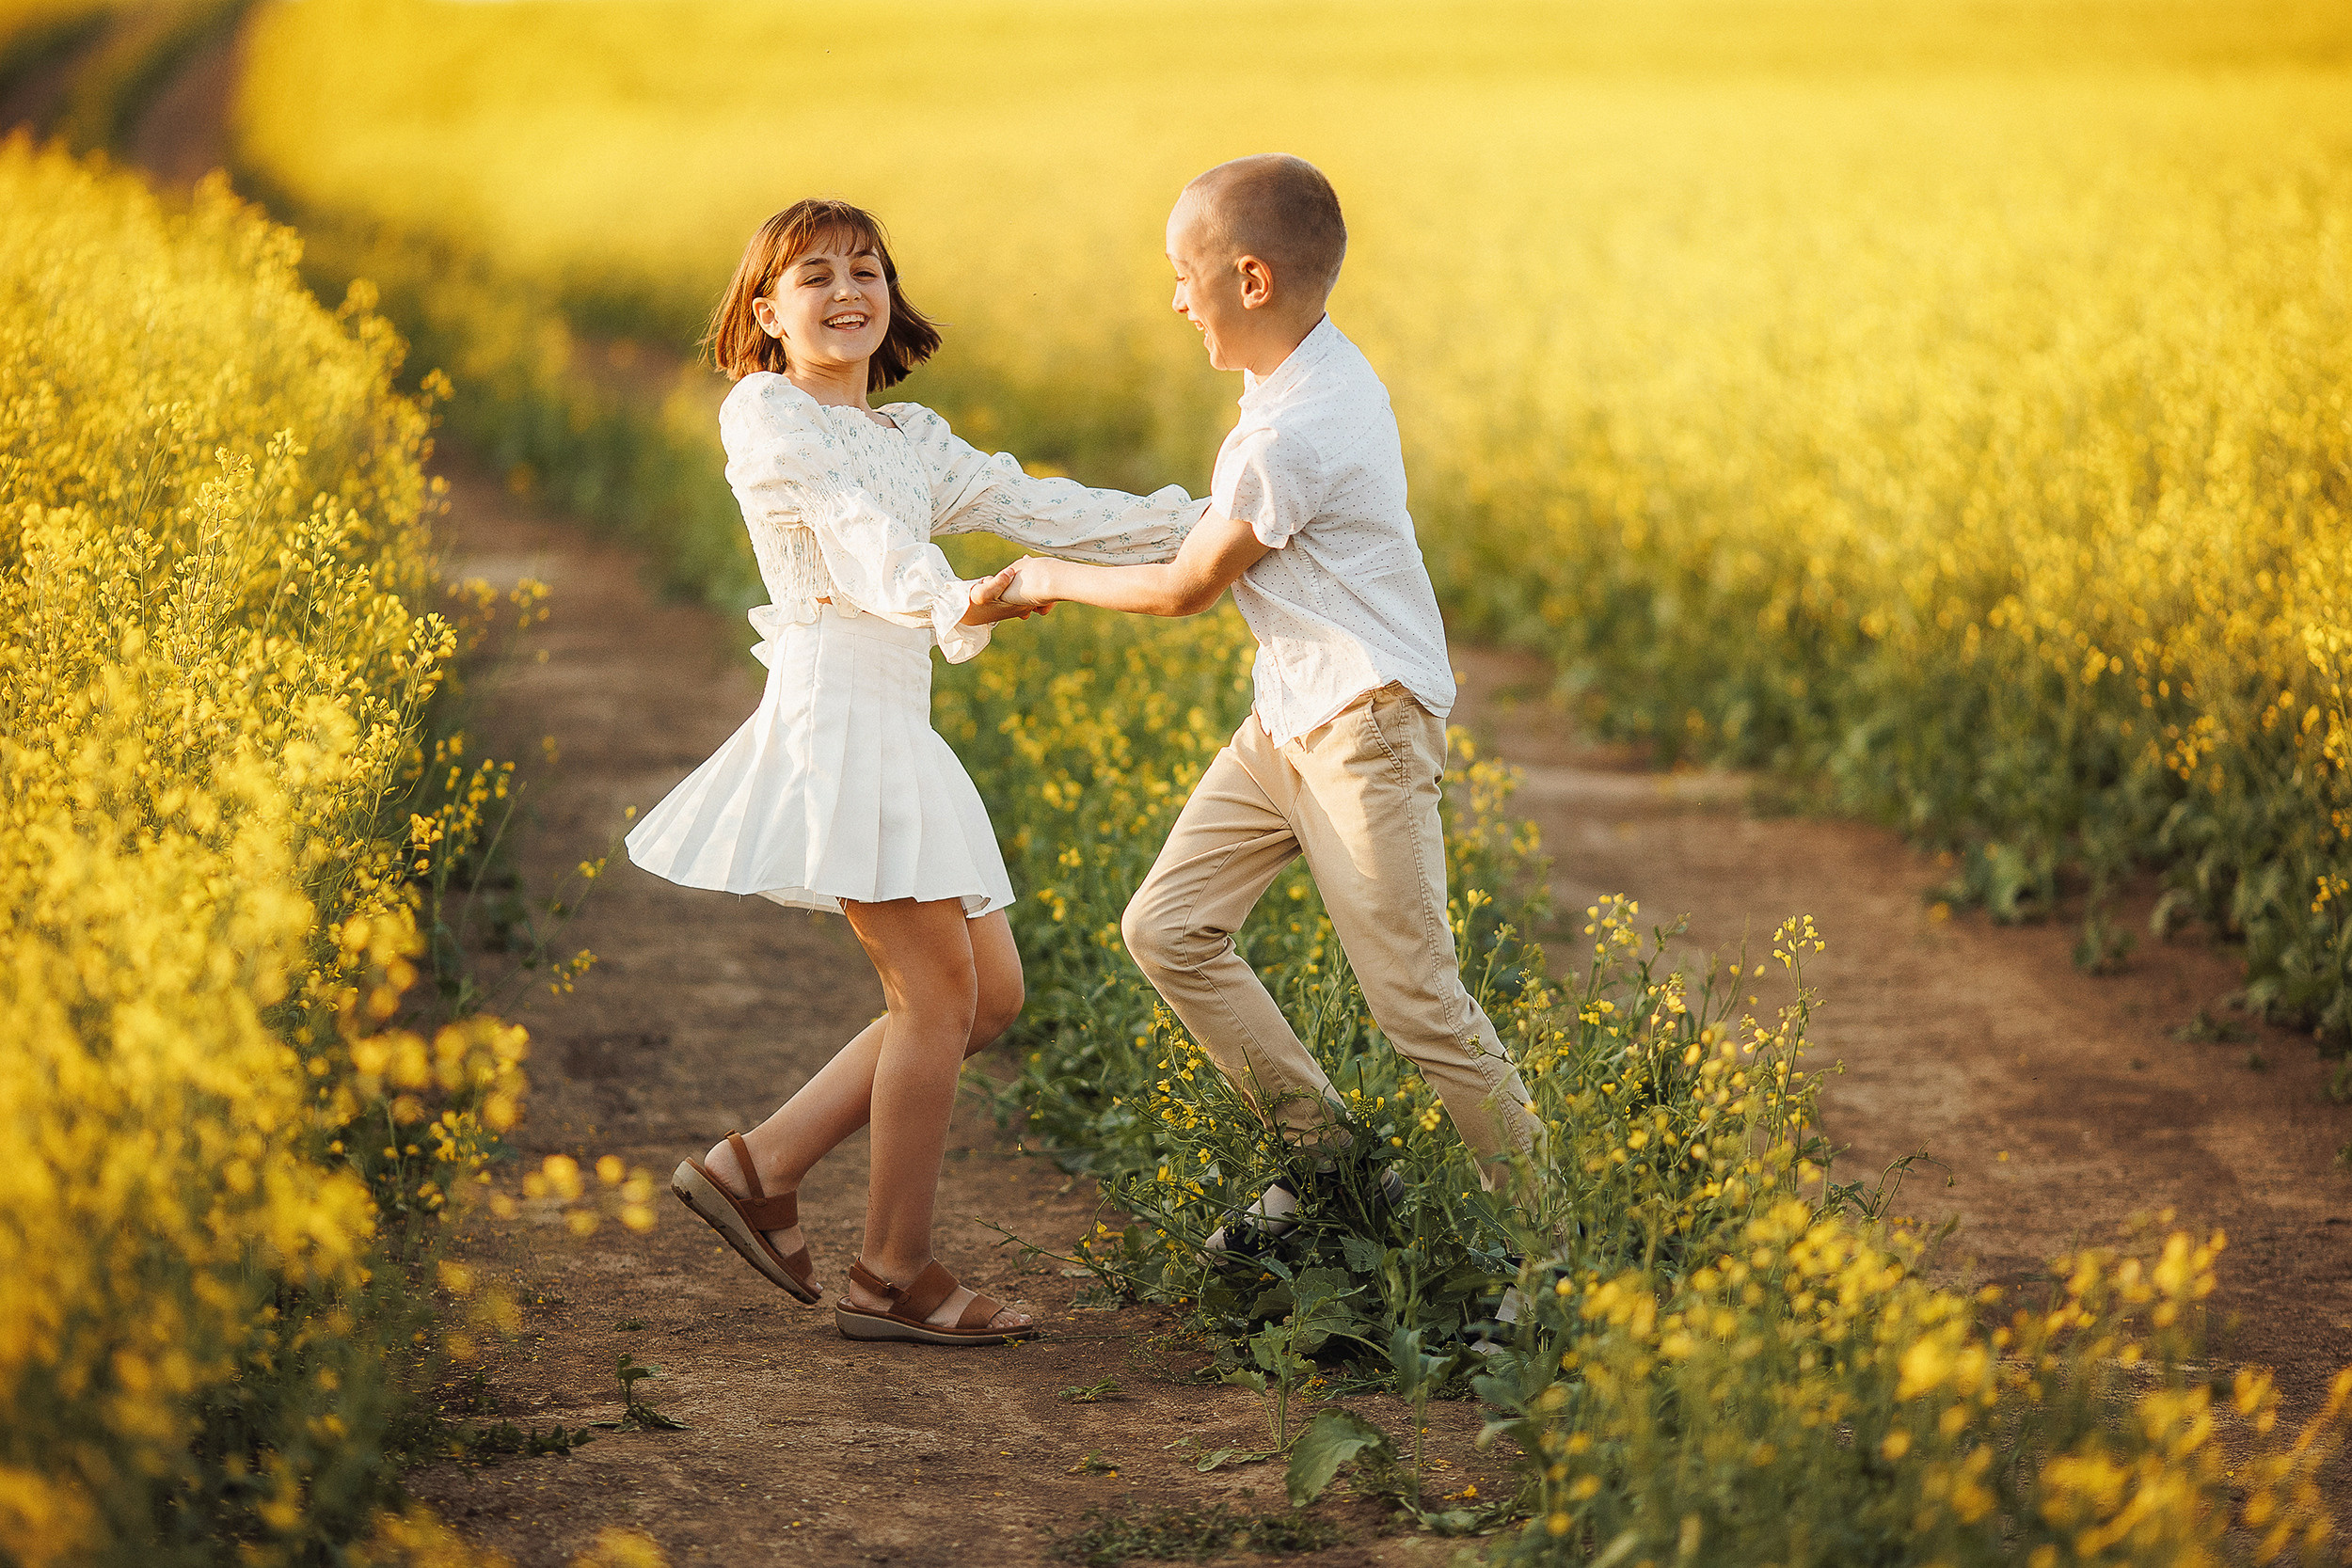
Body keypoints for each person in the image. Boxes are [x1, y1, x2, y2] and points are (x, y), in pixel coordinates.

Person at [628, 199, 1204, 1345]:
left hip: (896, 720)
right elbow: (858, 540)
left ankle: (761, 1164)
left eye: (867, 270)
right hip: (836, 715)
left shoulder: (910, 440)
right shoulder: (768, 413)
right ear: (766, 313)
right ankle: (891, 1273)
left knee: (988, 997)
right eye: (815, 276)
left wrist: (1202, 521)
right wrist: (950, 598)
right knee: (936, 997)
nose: (848, 291)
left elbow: (1041, 506)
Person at [1003, 154, 1545, 1256]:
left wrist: (1039, 575)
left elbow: (1186, 584)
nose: (1172, 299)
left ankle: (1555, 1259)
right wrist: (1033, 509)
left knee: (1417, 1003)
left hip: (1364, 727)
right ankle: (1331, 1164)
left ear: (1248, 280)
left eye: (1181, 274)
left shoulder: (1298, 428)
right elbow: (1200, 524)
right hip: (1291, 714)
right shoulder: (1299, 382)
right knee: (1168, 928)